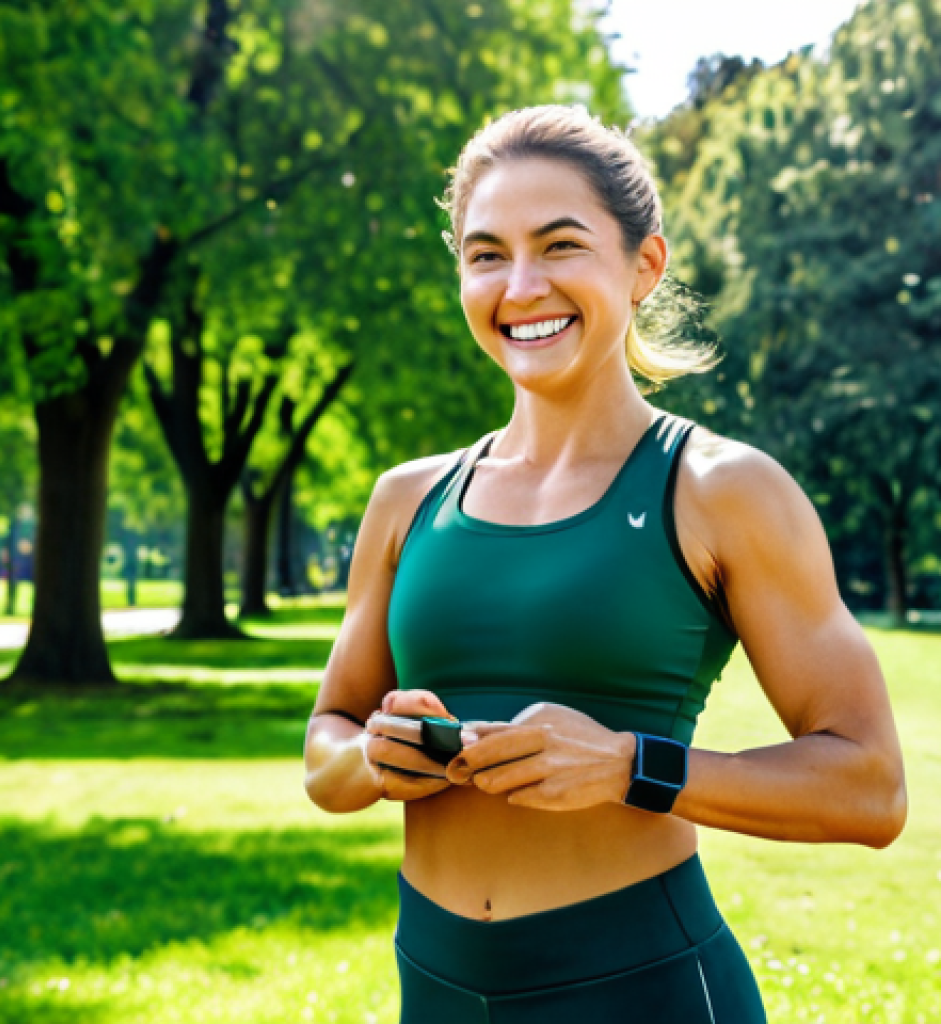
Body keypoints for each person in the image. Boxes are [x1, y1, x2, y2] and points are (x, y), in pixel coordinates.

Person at [303, 105, 907, 1023]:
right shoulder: (406, 501)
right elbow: (326, 749)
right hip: (434, 989)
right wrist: (376, 760)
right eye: (486, 253)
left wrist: (630, 766)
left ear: (644, 266)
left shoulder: (722, 490)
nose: (521, 286)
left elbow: (870, 787)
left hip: (643, 988)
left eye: (560, 246)